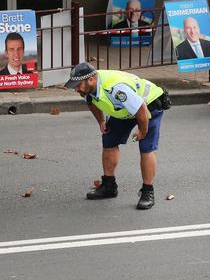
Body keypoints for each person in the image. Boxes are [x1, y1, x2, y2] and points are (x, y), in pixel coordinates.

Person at [64, 62, 170, 210]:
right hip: (125, 109)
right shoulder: (87, 88)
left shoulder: (114, 88)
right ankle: (109, 186)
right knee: (109, 139)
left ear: (91, 79)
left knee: (145, 147)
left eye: (78, 84)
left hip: (148, 105)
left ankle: (147, 191)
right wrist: (101, 120)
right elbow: (90, 101)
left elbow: (140, 108)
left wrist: (142, 131)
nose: (76, 89)